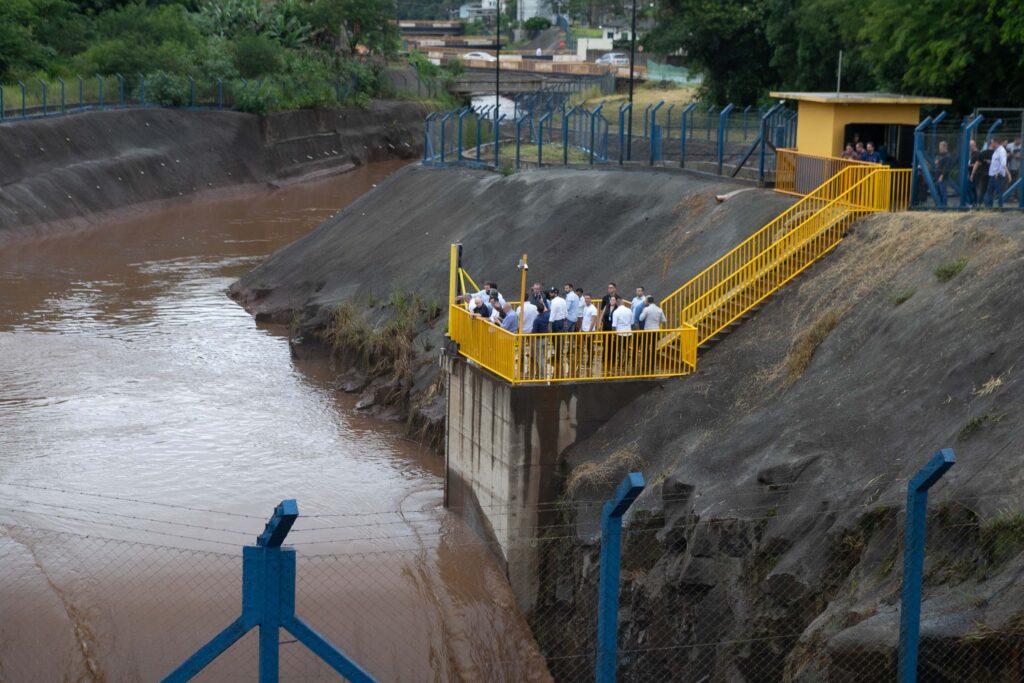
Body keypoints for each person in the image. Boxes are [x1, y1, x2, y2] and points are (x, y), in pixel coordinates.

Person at [611, 295, 633, 374]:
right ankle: (626, 362)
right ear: (623, 302)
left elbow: (614, 325)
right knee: (626, 348)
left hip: (619, 332)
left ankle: (620, 363)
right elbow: (632, 322)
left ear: (617, 303)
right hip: (628, 332)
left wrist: (614, 334)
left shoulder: (616, 312)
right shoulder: (629, 310)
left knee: (620, 348)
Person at [984, 137, 1009, 209]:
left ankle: (999, 207)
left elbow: (1003, 163)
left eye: (992, 142)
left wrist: (998, 172)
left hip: (997, 175)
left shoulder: (1001, 151)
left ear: (996, 142)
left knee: (997, 192)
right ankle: (989, 207)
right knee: (990, 192)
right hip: (993, 174)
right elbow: (997, 162)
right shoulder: (997, 151)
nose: (991, 144)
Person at [530, 302, 550, 379]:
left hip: (539, 340)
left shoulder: (537, 320)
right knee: (544, 356)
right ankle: (544, 372)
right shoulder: (547, 315)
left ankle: (542, 374)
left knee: (540, 358)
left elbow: (534, 331)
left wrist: (532, 340)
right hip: (546, 338)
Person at [973, 142, 994, 207]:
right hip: (992, 175)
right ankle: (989, 206)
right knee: (990, 192)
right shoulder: (996, 153)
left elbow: (977, 163)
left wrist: (972, 173)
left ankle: (979, 205)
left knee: (982, 191)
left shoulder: (983, 153)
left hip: (983, 174)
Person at [935, 141, 953, 207]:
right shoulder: (941, 156)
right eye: (939, 147)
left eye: (940, 147)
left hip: (942, 178)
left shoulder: (948, 156)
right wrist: (938, 162)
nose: (939, 148)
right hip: (938, 177)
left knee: (943, 193)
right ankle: (940, 206)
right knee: (939, 193)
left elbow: (946, 168)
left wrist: (941, 176)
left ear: (944, 147)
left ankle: (944, 207)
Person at [966, 139, 979, 206]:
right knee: (973, 190)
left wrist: (971, 165)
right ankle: (975, 203)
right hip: (971, 173)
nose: (969, 147)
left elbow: (978, 164)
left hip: (974, 174)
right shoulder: (972, 153)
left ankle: (971, 202)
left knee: (968, 188)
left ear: (973, 145)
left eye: (970, 146)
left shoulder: (977, 154)